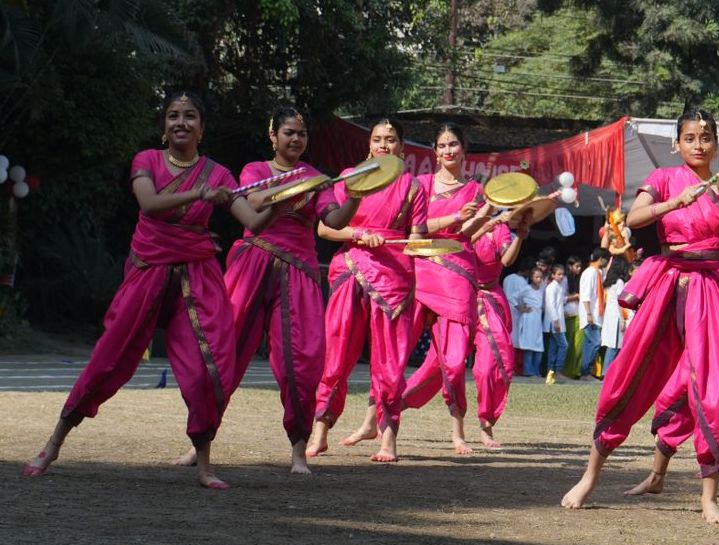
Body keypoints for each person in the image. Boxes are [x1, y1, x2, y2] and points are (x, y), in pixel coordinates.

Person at [23, 91, 287, 489]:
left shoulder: (219, 175)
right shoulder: (146, 160)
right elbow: (149, 205)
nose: (181, 122)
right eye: (173, 116)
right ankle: (53, 442)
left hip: (196, 276)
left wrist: (282, 204)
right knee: (107, 360)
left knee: (206, 370)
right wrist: (200, 194)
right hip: (148, 270)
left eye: (190, 116)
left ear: (202, 126)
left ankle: (204, 466)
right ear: (164, 127)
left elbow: (252, 218)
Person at [561, 108, 719, 524]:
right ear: (677, 144)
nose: (699, 144)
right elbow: (633, 217)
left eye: (707, 137)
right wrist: (673, 203)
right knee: (629, 374)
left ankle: (708, 497)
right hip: (668, 283)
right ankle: (590, 476)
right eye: (691, 138)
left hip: (710, 290)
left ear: (717, 144)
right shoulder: (663, 179)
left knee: (713, 388)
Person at [175, 106, 363, 475]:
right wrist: (298, 187)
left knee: (302, 363)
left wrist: (354, 195)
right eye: (289, 132)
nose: (296, 139)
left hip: (299, 272)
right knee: (223, 354)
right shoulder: (254, 171)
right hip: (252, 264)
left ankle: (297, 453)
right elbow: (254, 203)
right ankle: (201, 444)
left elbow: (334, 220)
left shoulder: (315, 177)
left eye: (302, 134)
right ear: (273, 136)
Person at [305, 117, 427, 463]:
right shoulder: (350, 177)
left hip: (394, 278)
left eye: (390, 140)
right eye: (377, 139)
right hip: (351, 270)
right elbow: (326, 231)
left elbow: (415, 239)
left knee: (390, 362)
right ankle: (320, 430)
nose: (383, 145)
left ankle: (387, 437)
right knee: (337, 355)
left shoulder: (412, 187)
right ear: (369, 146)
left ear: (402, 148)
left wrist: (428, 245)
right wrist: (358, 235)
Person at [396, 122, 493, 455]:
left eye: (453, 144)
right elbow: (415, 230)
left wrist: (486, 215)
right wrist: (454, 217)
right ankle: (378, 418)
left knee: (452, 361)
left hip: (457, 272)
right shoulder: (420, 185)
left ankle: (457, 430)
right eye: (442, 145)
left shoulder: (476, 191)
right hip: (420, 268)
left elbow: (467, 232)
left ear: (464, 149)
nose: (448, 151)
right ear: (434, 151)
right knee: (395, 349)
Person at [469, 209, 527, 446]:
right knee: (441, 365)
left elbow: (506, 260)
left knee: (488, 367)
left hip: (489, 300)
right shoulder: (465, 221)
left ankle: (486, 423)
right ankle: (391, 409)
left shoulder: (500, 229)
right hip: (457, 296)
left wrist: (520, 237)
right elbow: (461, 243)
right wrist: (485, 223)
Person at [578, 249, 609, 380]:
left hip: (597, 314)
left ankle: (585, 372)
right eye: (606, 259)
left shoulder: (599, 272)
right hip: (590, 314)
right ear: (601, 258)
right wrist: (588, 313)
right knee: (596, 342)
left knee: (590, 343)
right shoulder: (590, 273)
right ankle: (586, 372)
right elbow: (585, 295)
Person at [599, 257, 632, 371]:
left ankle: (607, 371)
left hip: (609, 313)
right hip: (616, 315)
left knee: (612, 344)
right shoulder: (619, 282)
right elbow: (620, 302)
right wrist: (622, 319)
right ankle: (607, 372)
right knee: (615, 345)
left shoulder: (609, 281)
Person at [503, 258, 534, 374]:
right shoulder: (522, 281)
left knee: (508, 338)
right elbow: (515, 297)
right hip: (517, 313)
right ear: (527, 271)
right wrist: (521, 307)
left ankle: (507, 365)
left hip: (506, 310)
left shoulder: (508, 278)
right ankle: (515, 367)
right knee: (517, 340)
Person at [516, 268, 545, 376]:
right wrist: (521, 308)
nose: (539, 279)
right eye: (537, 277)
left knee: (538, 347)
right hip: (528, 319)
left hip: (538, 319)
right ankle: (528, 371)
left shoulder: (542, 288)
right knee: (528, 346)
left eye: (541, 277)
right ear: (532, 277)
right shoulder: (526, 289)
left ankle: (536, 371)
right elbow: (516, 298)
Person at [543, 264, 568, 384]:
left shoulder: (558, 287)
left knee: (553, 347)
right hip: (555, 321)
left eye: (562, 274)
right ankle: (557, 370)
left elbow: (561, 302)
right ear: (553, 275)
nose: (561, 276)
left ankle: (551, 371)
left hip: (557, 320)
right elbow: (551, 305)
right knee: (564, 345)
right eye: (559, 274)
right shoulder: (551, 287)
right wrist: (556, 321)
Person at [562, 256, 584, 378]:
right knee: (569, 345)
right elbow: (561, 298)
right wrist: (575, 297)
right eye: (577, 266)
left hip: (577, 314)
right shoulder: (565, 279)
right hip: (568, 314)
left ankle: (575, 371)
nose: (579, 269)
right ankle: (566, 371)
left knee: (578, 345)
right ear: (570, 266)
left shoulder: (577, 278)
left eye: (580, 266)